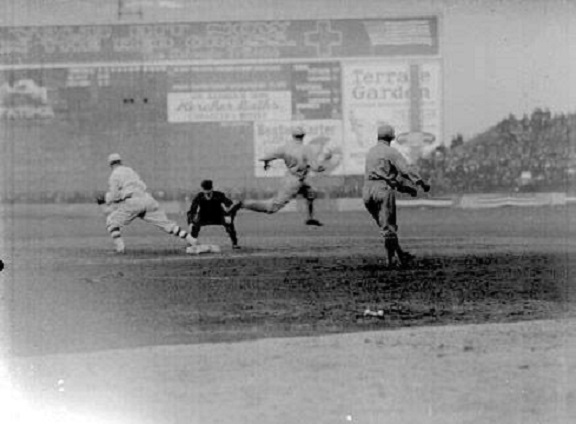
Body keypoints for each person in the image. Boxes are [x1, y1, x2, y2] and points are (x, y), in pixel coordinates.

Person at [99, 153, 196, 253]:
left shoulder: (114, 175)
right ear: (121, 161)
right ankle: (192, 240)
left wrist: (105, 198)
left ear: (110, 164)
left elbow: (115, 195)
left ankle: (120, 248)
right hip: (147, 199)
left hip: (133, 202)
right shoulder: (130, 170)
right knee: (167, 224)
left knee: (111, 221)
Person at [363, 125, 431, 267]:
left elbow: (389, 177)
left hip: (367, 191)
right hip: (382, 190)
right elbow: (405, 171)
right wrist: (420, 182)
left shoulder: (371, 152)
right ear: (392, 137)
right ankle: (390, 261)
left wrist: (406, 189)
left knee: (385, 226)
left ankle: (400, 255)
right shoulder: (391, 152)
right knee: (389, 228)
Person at [236, 126, 326, 226]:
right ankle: (243, 204)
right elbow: (316, 167)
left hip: (292, 178)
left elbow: (267, 156)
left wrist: (266, 162)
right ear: (303, 136)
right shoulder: (306, 149)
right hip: (294, 182)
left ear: (293, 136)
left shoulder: (285, 147)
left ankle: (310, 218)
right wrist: (322, 166)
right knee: (272, 208)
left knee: (310, 193)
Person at [187, 179, 240, 249]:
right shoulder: (199, 196)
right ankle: (192, 243)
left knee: (229, 224)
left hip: (218, 216)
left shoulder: (219, 195)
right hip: (203, 217)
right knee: (194, 226)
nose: (207, 193)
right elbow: (192, 210)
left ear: (212, 188)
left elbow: (229, 205)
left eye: (209, 190)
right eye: (206, 191)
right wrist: (191, 222)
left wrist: (229, 215)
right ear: (202, 189)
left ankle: (234, 243)